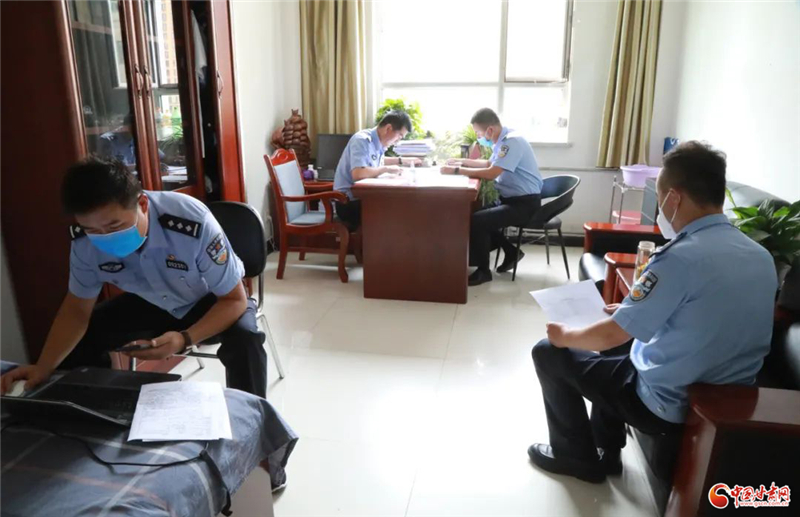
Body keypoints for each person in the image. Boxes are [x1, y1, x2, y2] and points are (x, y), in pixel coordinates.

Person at [527, 141, 777, 483]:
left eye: (659, 198)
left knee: (548, 352)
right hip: (728, 390)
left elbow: (610, 335)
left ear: (674, 198)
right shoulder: (760, 256)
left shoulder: (679, 257)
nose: (660, 208)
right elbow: (708, 315)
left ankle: (576, 457)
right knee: (619, 339)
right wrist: (632, 311)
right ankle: (607, 448)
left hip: (667, 404)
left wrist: (564, 335)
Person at [0, 157, 268, 398]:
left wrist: (184, 338)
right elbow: (76, 310)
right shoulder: (84, 243)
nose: (105, 237)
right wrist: (43, 367)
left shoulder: (190, 221)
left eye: (114, 226)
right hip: (154, 301)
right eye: (92, 229)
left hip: (211, 299)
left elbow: (234, 300)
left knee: (245, 340)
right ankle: (96, 410)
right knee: (85, 336)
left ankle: (253, 421)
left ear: (142, 204)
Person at [441, 108, 543, 286]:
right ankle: (511, 252)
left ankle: (484, 271)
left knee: (479, 221)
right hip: (511, 199)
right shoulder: (504, 139)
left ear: (490, 130)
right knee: (475, 216)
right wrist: (461, 161)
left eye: (478, 133)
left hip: (525, 204)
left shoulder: (512, 142)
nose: (478, 137)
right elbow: (489, 163)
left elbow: (491, 173)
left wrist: (457, 171)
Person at [333, 110, 419, 229]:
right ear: (388, 128)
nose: (398, 141)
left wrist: (403, 161)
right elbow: (359, 173)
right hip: (349, 203)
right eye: (399, 136)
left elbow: (376, 162)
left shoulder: (378, 142)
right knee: (400, 208)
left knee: (403, 204)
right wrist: (386, 169)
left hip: (363, 198)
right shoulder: (362, 140)